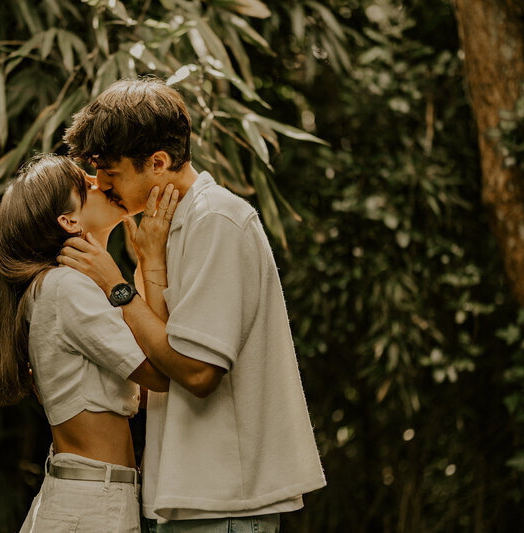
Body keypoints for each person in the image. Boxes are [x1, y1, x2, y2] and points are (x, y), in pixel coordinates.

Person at [58, 78, 326, 532]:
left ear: (158, 163)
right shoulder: (164, 229)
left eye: (112, 172)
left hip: (226, 503)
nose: (98, 183)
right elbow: (157, 354)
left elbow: (198, 372)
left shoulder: (217, 221)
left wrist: (116, 285)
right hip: (188, 499)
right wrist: (150, 263)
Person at [0, 153, 178, 533]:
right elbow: (166, 374)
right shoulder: (65, 288)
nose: (99, 181)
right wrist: (151, 262)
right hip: (91, 505)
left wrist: (137, 269)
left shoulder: (71, 287)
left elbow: (152, 386)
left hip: (92, 497)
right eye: (85, 184)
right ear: (69, 221)